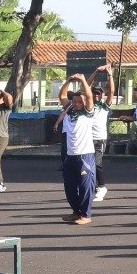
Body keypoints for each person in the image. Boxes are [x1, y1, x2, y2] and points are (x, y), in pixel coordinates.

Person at [55, 73, 99, 225]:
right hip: (70, 156)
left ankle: (86, 215)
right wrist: (68, 80)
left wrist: (82, 80)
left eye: (80, 101)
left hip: (84, 156)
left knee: (85, 186)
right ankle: (76, 212)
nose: (77, 103)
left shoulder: (88, 113)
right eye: (75, 101)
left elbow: (89, 96)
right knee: (69, 187)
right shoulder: (69, 110)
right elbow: (62, 95)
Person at [88, 64, 113, 203]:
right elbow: (86, 85)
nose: (96, 95)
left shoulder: (104, 106)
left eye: (98, 93)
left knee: (97, 163)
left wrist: (109, 75)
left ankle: (102, 187)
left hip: (100, 139)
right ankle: (91, 187)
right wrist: (97, 71)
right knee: (87, 164)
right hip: (87, 139)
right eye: (94, 93)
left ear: (101, 95)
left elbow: (112, 91)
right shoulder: (88, 105)